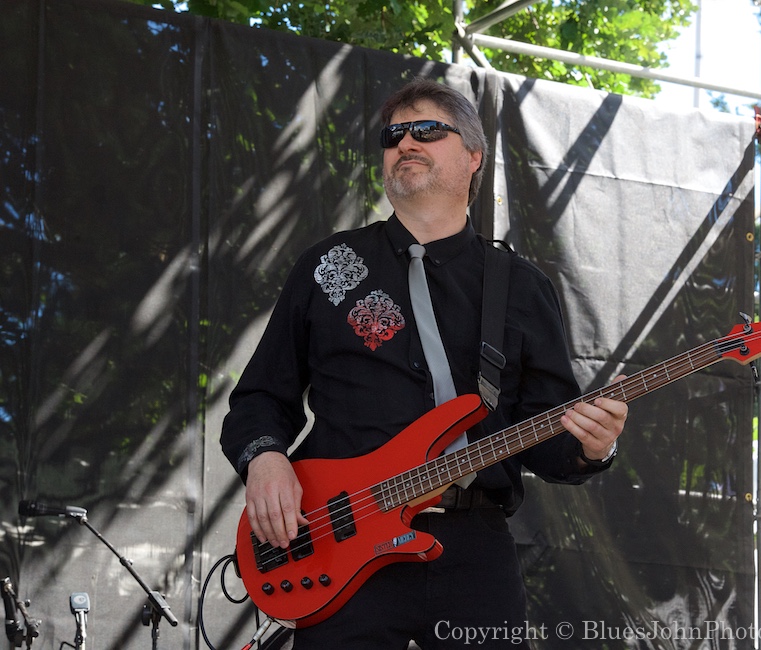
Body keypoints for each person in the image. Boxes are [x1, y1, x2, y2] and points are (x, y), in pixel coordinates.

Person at [220, 77, 627, 648]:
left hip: (475, 550)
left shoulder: (521, 287)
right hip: (342, 544)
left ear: (474, 156)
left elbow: (548, 437)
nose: (406, 142)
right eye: (393, 135)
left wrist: (593, 446)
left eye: (428, 130)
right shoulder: (330, 265)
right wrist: (264, 461)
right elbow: (260, 396)